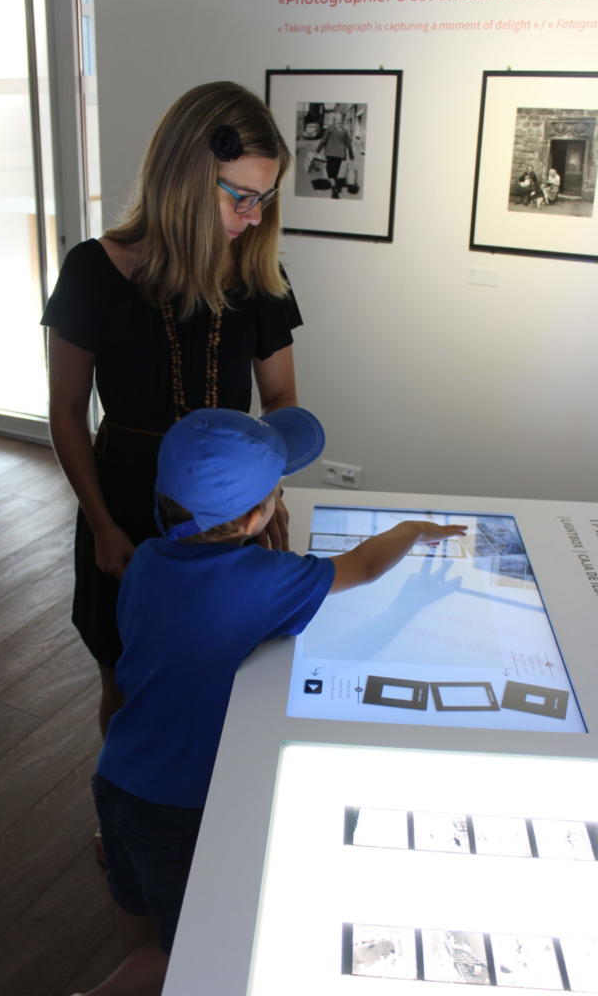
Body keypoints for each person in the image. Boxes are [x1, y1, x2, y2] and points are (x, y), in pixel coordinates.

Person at [71, 405, 468, 996]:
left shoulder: (148, 561)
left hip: (118, 773)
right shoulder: (268, 581)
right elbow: (360, 565)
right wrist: (410, 530)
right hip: (179, 804)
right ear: (259, 516)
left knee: (135, 911)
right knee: (186, 950)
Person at [41, 82, 300, 757]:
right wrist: (101, 525)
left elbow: (281, 403)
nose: (252, 217)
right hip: (123, 501)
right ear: (185, 175)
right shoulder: (92, 272)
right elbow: (68, 411)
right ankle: (123, 809)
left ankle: (205, 821)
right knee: (125, 678)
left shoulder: (258, 279)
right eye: (238, 195)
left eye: (264, 199)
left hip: (234, 512)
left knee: (230, 677)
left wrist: (269, 494)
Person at [316, 110, 354, 198]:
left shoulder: (330, 128)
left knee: (329, 169)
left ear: (334, 119)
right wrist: (351, 155)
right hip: (340, 154)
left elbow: (324, 140)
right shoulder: (344, 130)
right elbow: (348, 143)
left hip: (330, 153)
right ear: (340, 120)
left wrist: (318, 150)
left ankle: (334, 187)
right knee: (335, 170)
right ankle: (335, 185)